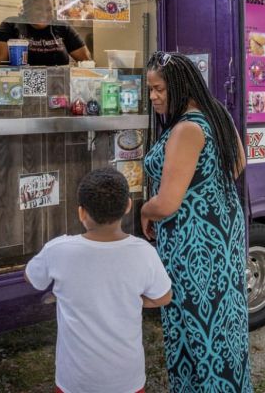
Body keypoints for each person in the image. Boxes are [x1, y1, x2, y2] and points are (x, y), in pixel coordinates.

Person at [141, 51, 252, 392]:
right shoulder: (215, 114)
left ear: (178, 84)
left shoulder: (186, 129)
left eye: (159, 88)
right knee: (224, 326)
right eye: (150, 89)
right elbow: (238, 165)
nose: (153, 97)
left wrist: (145, 211)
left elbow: (169, 203)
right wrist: (207, 193)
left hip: (194, 247)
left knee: (196, 330)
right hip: (223, 234)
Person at [25, 168, 172, 393]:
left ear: (81, 213)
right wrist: (134, 299)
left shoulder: (58, 250)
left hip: (74, 382)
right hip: (126, 381)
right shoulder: (143, 252)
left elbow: (32, 277)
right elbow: (163, 297)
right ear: (128, 206)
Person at [0, 0, 91, 65]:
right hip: (20, 86)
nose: (44, 14)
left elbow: (86, 61)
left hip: (57, 86)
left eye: (48, 9)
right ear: (26, 9)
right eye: (38, 9)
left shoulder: (62, 27)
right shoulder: (11, 25)